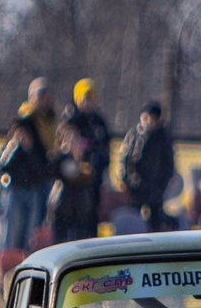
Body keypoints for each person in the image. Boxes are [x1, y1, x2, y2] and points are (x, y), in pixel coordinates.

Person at [0, 80, 59, 255]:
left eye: (48, 96)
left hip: (35, 187)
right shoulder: (25, 122)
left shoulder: (50, 124)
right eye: (41, 95)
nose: (45, 100)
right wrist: (20, 146)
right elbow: (2, 164)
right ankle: (6, 270)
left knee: (30, 237)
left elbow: (44, 161)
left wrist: (32, 151)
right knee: (11, 233)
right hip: (16, 187)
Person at [51, 79, 112, 244]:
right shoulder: (70, 119)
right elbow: (56, 161)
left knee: (88, 230)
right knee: (65, 233)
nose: (87, 103)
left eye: (91, 99)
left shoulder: (98, 123)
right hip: (68, 191)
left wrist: (94, 163)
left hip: (90, 186)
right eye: (84, 98)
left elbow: (105, 151)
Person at [119, 101, 176, 231]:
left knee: (155, 226)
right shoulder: (133, 136)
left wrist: (159, 189)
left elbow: (168, 167)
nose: (150, 121)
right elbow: (124, 161)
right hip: (135, 191)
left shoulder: (162, 138)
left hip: (155, 192)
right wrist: (129, 183)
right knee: (132, 225)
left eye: (153, 118)